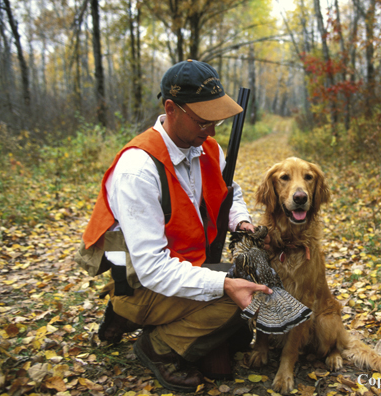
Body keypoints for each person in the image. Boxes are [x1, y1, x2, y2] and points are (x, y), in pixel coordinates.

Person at [76, 59, 271, 393]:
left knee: (239, 330)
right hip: (141, 283)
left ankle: (138, 319)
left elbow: (230, 192)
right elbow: (152, 268)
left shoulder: (206, 147)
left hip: (185, 264)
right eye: (203, 120)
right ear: (171, 108)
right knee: (240, 299)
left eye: (217, 120)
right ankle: (156, 346)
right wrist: (223, 285)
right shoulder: (137, 170)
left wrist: (240, 220)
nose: (211, 130)